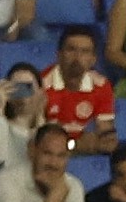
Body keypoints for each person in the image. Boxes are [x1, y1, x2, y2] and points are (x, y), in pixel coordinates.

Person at [41, 22, 117, 153]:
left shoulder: (101, 85)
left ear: (93, 59)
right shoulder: (40, 85)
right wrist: (75, 145)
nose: (77, 58)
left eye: (85, 52)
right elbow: (40, 141)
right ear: (59, 55)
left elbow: (108, 142)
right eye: (71, 50)